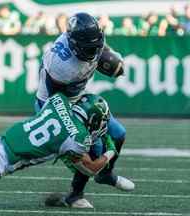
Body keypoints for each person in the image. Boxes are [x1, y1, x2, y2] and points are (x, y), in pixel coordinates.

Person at [35, 12, 134, 208]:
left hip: (77, 97)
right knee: (89, 147)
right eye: (89, 48)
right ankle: (75, 195)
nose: (94, 51)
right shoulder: (62, 66)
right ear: (74, 45)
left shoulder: (90, 41)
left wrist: (111, 58)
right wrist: (77, 128)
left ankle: (105, 174)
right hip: (55, 106)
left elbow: (100, 47)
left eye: (95, 45)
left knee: (119, 134)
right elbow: (57, 101)